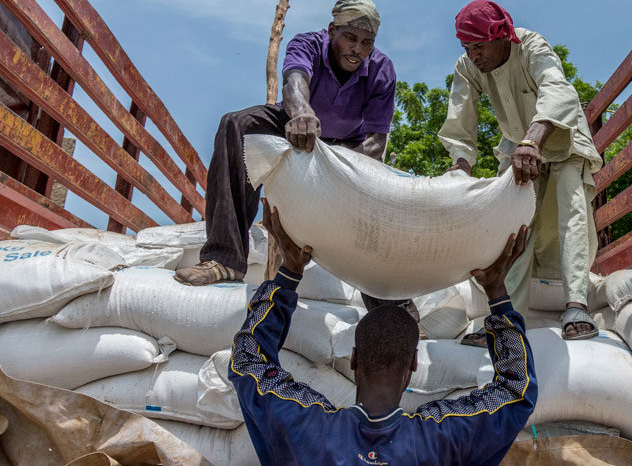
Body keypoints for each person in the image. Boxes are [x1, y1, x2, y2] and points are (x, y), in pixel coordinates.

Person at [229, 199, 537, 466]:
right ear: (413, 364)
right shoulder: (443, 438)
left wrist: (288, 273)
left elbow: (247, 361)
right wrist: (496, 292)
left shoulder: (304, 426)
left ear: (353, 359)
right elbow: (516, 389)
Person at [174, 0, 415, 318]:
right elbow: (294, 82)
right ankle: (224, 259)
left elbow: (375, 143)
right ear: (332, 31)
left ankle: (392, 306)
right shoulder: (308, 44)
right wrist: (302, 113)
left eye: (366, 42)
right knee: (236, 124)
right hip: (293, 123)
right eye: (350, 38)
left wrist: (330, 166)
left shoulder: (381, 70)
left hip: (346, 148)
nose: (358, 49)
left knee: (374, 203)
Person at [438, 0, 604, 343]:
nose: (473, 55)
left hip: (561, 138)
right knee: (513, 226)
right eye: (467, 47)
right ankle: (505, 320)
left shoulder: (530, 46)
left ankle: (576, 306)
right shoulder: (468, 67)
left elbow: (556, 88)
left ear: (502, 37)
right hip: (518, 144)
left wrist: (533, 141)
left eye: (480, 46)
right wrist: (460, 168)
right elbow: (460, 120)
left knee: (572, 212)